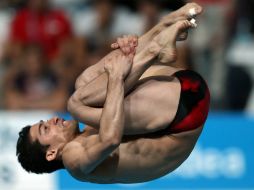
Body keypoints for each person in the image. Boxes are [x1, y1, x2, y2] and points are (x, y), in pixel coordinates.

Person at [16, 3, 209, 184]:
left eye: (45, 123)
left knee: (84, 82)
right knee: (76, 104)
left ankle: (163, 28)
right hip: (183, 114)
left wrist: (126, 52)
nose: (52, 121)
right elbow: (110, 139)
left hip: (180, 92)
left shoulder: (88, 131)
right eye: (46, 130)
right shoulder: (73, 159)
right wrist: (116, 77)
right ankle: (155, 47)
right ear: (51, 153)